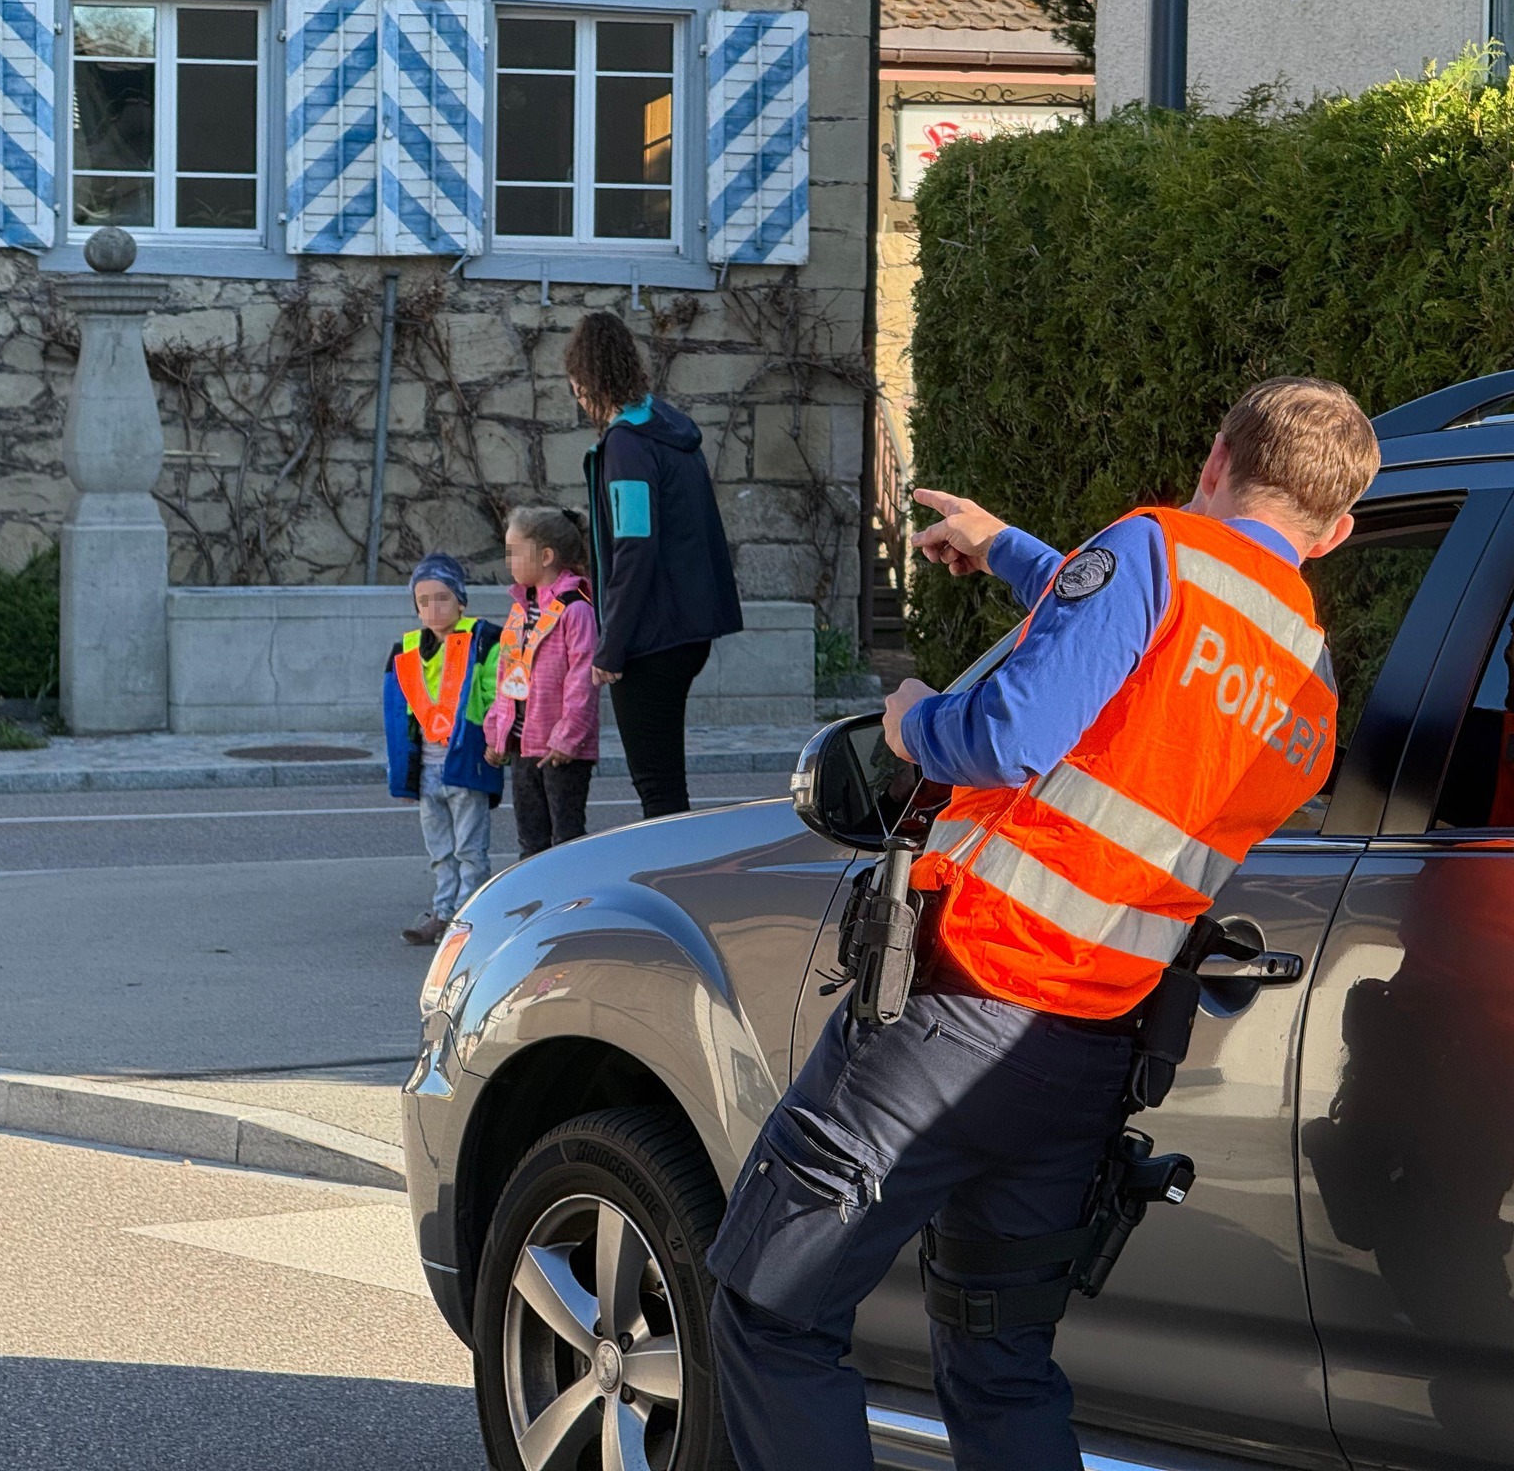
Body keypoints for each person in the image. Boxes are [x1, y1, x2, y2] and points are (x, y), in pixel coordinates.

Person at [707, 377, 1381, 1470]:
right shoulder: (1308, 685)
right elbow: (1157, 669)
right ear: (1338, 532)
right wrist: (1011, 549)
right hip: (1085, 1058)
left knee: (773, 1308)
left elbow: (1014, 733)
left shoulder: (1158, 549)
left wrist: (914, 717)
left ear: (1215, 459)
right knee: (1001, 1362)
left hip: (957, 1006)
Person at [568, 311, 743, 818]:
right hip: (688, 632)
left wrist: (611, 644)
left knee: (659, 789)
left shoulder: (626, 444)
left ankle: (676, 888)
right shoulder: (668, 428)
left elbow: (634, 545)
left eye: (576, 387)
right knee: (666, 783)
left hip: (650, 640)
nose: (577, 399)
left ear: (587, 381)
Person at [384, 553, 503, 946]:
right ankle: (442, 912)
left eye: (442, 598)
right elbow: (398, 715)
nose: (433, 609)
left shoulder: (483, 640)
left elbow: (493, 695)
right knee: (440, 850)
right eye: (424, 601)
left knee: (470, 849)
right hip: (428, 769)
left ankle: (470, 918)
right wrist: (402, 775)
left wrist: (495, 743)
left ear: (461, 602)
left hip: (466, 763)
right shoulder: (407, 649)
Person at [484, 505, 601, 858]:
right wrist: (497, 732)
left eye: (514, 552)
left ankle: (570, 908)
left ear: (546, 556)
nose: (509, 561)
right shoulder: (521, 608)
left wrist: (567, 738)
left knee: (564, 841)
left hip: (560, 750)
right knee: (531, 843)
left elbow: (584, 679)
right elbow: (507, 673)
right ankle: (536, 911)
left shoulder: (576, 609)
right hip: (523, 744)